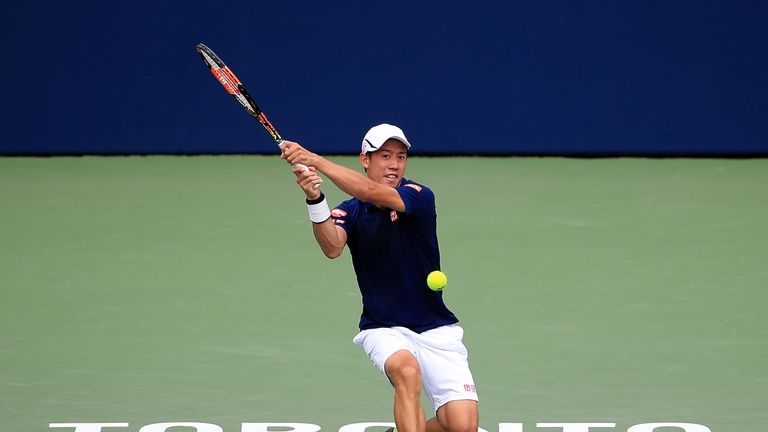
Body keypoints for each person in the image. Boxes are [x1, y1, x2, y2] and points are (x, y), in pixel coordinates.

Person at [280, 124, 478, 432]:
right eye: (385, 155)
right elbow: (332, 247)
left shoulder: (419, 196)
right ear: (365, 159)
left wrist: (314, 159)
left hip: (437, 328)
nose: (394, 164)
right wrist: (315, 198)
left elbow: (369, 191)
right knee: (407, 372)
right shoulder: (351, 211)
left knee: (461, 426)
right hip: (384, 327)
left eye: (400, 156)